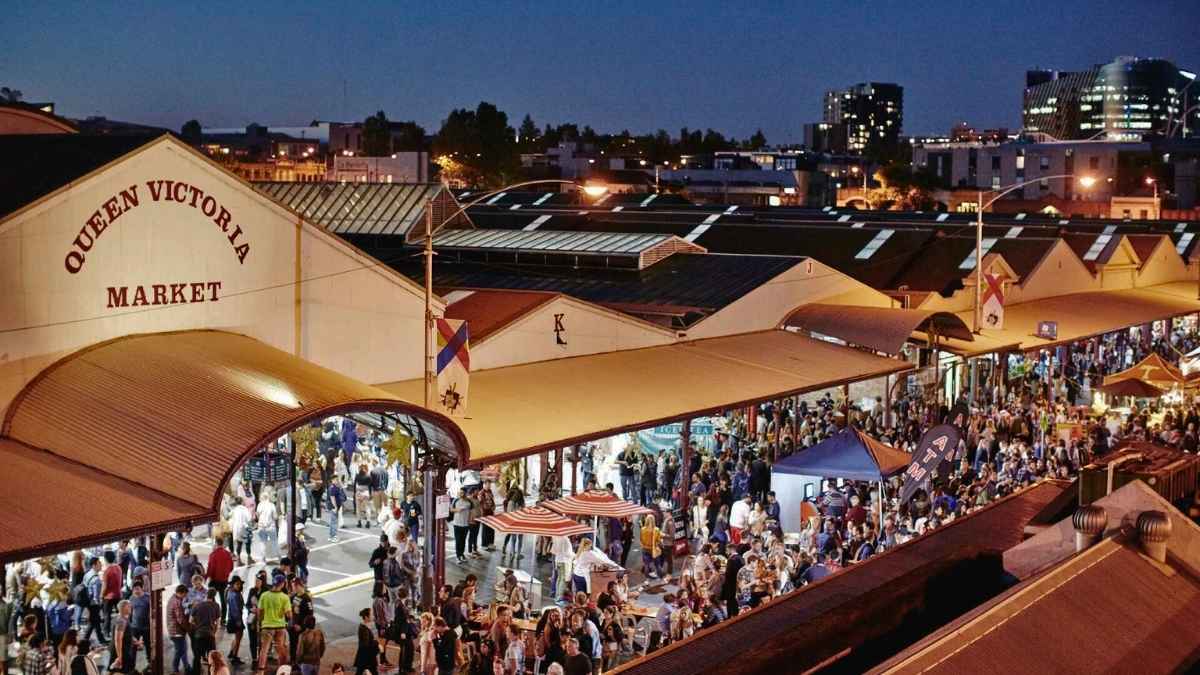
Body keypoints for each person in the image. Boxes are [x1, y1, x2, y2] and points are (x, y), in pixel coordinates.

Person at [256, 573, 292, 674]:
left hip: (267, 626)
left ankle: (261, 671)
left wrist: (260, 623)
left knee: (264, 650)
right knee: (280, 649)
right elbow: (289, 615)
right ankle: (282, 670)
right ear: (283, 584)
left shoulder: (264, 595)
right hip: (280, 626)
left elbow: (260, 612)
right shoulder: (285, 597)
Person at [190, 589, 220, 675]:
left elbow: (190, 620)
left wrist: (198, 626)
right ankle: (210, 673)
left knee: (197, 657)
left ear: (206, 595)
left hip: (199, 635)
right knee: (212, 657)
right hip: (210, 635)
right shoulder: (216, 606)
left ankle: (196, 673)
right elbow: (217, 623)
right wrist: (214, 633)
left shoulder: (197, 605)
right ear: (214, 596)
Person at [207, 539, 234, 622]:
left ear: (216, 544)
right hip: (224, 580)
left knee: (211, 599)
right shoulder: (228, 554)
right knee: (223, 600)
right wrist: (226, 574)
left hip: (214, 580)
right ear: (223, 544)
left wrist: (207, 577)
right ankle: (223, 619)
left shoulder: (213, 554)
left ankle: (214, 616)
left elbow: (210, 568)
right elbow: (231, 567)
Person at [107, 600, 138, 674]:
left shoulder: (123, 618)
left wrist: (134, 640)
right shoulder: (121, 620)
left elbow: (125, 633)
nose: (131, 608)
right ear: (123, 608)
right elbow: (118, 639)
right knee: (119, 672)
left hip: (124, 650)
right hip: (122, 651)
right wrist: (119, 657)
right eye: (129, 606)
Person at [167, 585, 190, 675]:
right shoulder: (177, 603)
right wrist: (189, 628)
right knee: (180, 651)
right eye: (185, 595)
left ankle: (187, 667)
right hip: (177, 632)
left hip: (174, 630)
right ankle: (175, 669)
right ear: (181, 593)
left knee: (183, 649)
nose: (185, 597)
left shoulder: (173, 598)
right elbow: (180, 620)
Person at [128, 582, 151, 667]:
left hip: (146, 627)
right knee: (133, 647)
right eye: (134, 589)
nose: (135, 591)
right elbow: (129, 612)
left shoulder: (148, 598)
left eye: (137, 589)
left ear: (142, 588)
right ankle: (132, 665)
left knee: (148, 646)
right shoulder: (131, 598)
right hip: (135, 627)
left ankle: (150, 663)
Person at [226, 576, 246, 665]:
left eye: (240, 584)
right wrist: (238, 621)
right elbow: (235, 609)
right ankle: (234, 657)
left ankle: (231, 653)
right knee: (238, 638)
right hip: (236, 619)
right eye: (237, 584)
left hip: (232, 618)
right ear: (233, 585)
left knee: (236, 637)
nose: (239, 586)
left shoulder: (231, 592)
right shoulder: (234, 595)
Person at [353, 608, 379, 675]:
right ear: (366, 617)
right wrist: (377, 643)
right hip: (366, 656)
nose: (373, 616)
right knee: (372, 671)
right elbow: (366, 644)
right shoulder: (364, 629)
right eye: (371, 615)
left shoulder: (365, 626)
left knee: (361, 671)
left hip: (364, 656)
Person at [639, 514, 664, 580]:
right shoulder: (657, 530)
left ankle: (647, 578)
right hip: (654, 549)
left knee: (646, 565)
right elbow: (658, 541)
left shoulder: (642, 529)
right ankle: (660, 577)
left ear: (646, 520)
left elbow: (641, 540)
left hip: (645, 549)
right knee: (657, 564)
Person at [452, 488, 473, 564]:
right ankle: (458, 556)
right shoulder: (456, 500)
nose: (461, 494)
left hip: (465, 525)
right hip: (457, 524)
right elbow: (451, 509)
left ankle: (461, 554)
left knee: (463, 540)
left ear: (465, 493)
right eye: (460, 493)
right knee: (458, 541)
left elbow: (471, 512)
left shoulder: (469, 502)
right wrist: (457, 510)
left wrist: (470, 521)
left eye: (463, 493)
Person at [327, 477, 347, 543]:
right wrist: (335, 507)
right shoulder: (332, 488)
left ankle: (331, 536)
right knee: (334, 522)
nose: (337, 481)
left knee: (333, 521)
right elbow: (332, 498)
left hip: (335, 506)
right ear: (332, 480)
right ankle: (334, 537)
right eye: (336, 480)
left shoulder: (335, 487)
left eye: (337, 479)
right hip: (334, 507)